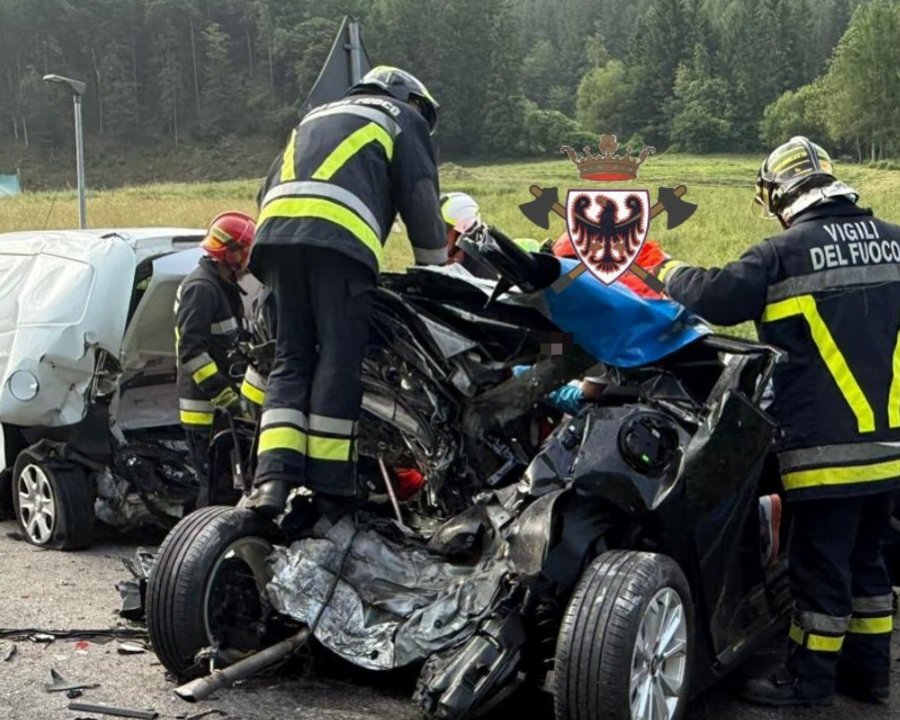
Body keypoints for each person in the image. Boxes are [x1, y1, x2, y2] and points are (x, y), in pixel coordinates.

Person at [655, 136, 899, 707]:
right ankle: (870, 680)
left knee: (818, 571)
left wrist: (663, 267)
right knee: (869, 565)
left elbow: (714, 297)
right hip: (890, 449)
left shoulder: (782, 253)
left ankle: (807, 683)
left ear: (780, 194)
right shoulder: (895, 243)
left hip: (825, 454)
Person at [243, 66, 448, 518]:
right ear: (411, 97)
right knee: (338, 356)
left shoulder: (315, 116)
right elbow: (420, 194)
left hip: (275, 241)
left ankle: (272, 482)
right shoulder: (402, 116)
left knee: (292, 356)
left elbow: (266, 187)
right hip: (339, 242)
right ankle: (331, 487)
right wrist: (436, 273)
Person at [175, 211, 255, 507]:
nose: (250, 258)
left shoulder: (224, 286)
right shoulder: (202, 289)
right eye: (247, 250)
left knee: (228, 487)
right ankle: (200, 546)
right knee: (214, 490)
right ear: (230, 253)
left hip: (223, 410)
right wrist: (226, 397)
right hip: (205, 411)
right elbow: (192, 352)